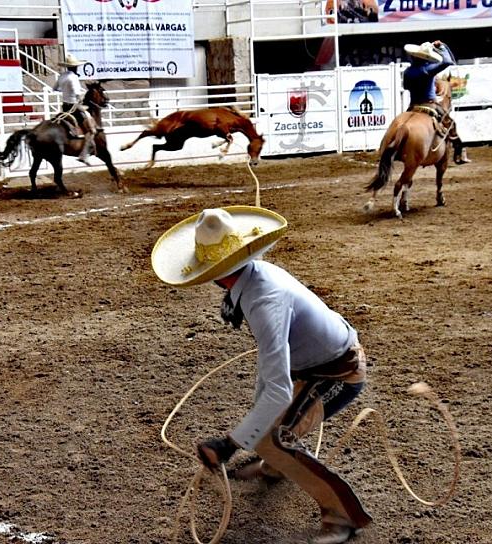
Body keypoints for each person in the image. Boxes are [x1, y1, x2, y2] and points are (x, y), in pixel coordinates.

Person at [152, 206, 372, 544]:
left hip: (338, 373)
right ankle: (275, 465)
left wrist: (229, 444)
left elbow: (279, 389)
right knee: (269, 432)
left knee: (275, 438)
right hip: (314, 365)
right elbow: (272, 373)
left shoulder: (265, 301)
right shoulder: (256, 277)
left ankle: (342, 515)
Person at [403, 40, 470, 165]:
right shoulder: (428, 70)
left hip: (413, 105)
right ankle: (459, 153)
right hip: (430, 104)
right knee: (451, 124)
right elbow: (447, 61)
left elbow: (406, 87)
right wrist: (442, 47)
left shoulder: (407, 72)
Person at [53, 53, 97, 164]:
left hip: (65, 106)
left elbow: (55, 88)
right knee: (91, 129)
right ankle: (83, 154)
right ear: (75, 67)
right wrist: (81, 100)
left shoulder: (62, 76)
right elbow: (78, 94)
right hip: (74, 106)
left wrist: (64, 91)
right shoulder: (74, 78)